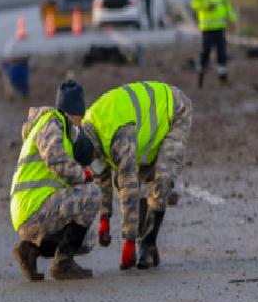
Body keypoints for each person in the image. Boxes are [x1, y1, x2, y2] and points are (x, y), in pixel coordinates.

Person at [82, 81, 192, 270]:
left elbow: (129, 186)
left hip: (175, 110)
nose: (94, 160)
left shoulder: (118, 134)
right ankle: (145, 238)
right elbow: (101, 174)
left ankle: (148, 244)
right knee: (129, 177)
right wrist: (105, 217)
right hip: (141, 128)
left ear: (93, 148)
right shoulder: (86, 132)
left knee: (160, 179)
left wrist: (129, 241)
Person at [11, 80, 101, 281]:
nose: (80, 125)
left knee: (86, 240)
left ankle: (29, 250)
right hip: (34, 207)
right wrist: (83, 176)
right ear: (76, 113)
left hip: (30, 209)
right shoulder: (52, 121)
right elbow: (55, 159)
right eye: (81, 118)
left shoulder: (54, 129)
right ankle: (63, 265)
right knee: (93, 194)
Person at [191, 0, 237, 88]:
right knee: (205, 52)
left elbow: (227, 4)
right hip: (207, 27)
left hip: (220, 26)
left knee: (222, 53)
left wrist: (232, 19)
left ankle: (223, 78)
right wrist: (206, 6)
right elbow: (194, 3)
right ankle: (200, 76)